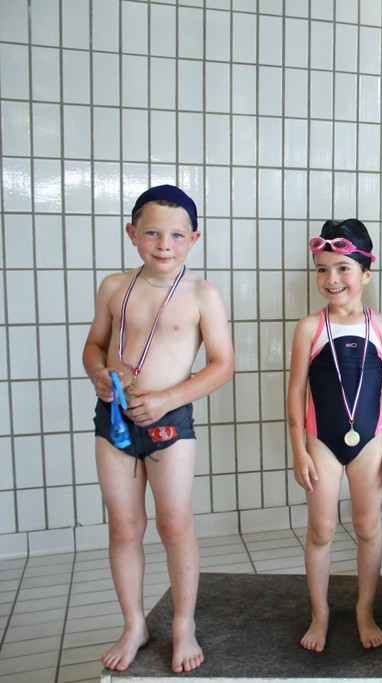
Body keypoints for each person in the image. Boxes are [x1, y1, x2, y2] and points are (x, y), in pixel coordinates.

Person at [82, 184, 235, 673]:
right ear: (132, 233)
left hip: (170, 421)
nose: (164, 245)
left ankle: (183, 624)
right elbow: (94, 345)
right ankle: (134, 624)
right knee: (124, 526)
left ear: (194, 238)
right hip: (114, 419)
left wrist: (168, 399)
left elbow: (223, 364)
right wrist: (98, 373)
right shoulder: (114, 287)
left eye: (176, 235)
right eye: (152, 233)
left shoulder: (202, 295)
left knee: (175, 524)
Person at [288, 218, 382, 651]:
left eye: (342, 268)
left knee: (367, 527)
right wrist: (299, 450)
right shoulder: (309, 327)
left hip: (370, 442)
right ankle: (319, 614)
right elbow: (296, 393)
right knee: (321, 530)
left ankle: (364, 610)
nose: (331, 278)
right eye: (322, 269)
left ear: (366, 274)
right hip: (320, 441)